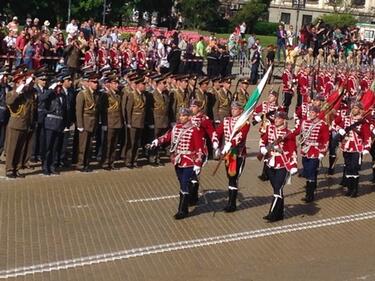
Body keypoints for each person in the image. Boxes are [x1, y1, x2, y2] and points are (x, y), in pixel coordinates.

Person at [151, 108, 204, 220]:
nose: (181, 117)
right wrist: (158, 141)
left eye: (184, 116)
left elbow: (200, 148)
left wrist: (198, 163)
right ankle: (188, 199)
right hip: (177, 159)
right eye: (180, 115)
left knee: (184, 183)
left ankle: (182, 210)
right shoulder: (176, 128)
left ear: (189, 117)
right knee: (181, 182)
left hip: (189, 160)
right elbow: (167, 137)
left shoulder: (194, 130)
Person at [259, 111, 297, 222]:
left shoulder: (288, 133)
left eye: (278, 118)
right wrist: (262, 148)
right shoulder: (270, 129)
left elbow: (292, 149)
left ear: (283, 120)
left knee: (278, 188)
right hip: (270, 161)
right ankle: (280, 213)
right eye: (275, 118)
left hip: (282, 163)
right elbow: (263, 139)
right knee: (276, 188)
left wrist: (293, 164)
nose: (275, 120)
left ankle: (272, 213)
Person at [213, 101, 250, 212]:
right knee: (230, 178)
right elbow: (217, 132)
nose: (233, 111)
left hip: (238, 154)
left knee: (234, 178)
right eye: (232, 109)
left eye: (235, 109)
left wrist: (231, 143)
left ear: (240, 110)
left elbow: (241, 136)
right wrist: (215, 143)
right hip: (228, 154)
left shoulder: (244, 123)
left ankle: (232, 204)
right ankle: (230, 202)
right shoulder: (226, 120)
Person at [333, 101, 372, 197]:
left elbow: (367, 136)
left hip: (357, 148)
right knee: (348, 167)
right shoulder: (346, 119)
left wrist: (367, 148)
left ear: (360, 110)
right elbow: (334, 123)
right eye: (353, 108)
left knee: (354, 168)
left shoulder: (363, 122)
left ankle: (355, 190)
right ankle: (349, 189)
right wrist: (339, 130)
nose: (354, 110)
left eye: (356, 108)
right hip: (346, 147)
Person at [294, 105, 329, 203]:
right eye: (309, 112)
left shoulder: (322, 124)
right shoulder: (305, 122)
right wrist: (287, 135)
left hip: (315, 150)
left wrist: (322, 152)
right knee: (307, 171)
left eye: (312, 112)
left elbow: (326, 140)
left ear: (317, 114)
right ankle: (310, 190)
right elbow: (297, 131)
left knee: (311, 172)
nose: (310, 114)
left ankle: (310, 195)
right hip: (305, 150)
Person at [5, 73, 35, 178]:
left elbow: (30, 110)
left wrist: (30, 123)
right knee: (11, 149)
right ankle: (9, 169)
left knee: (20, 150)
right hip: (15, 124)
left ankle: (16, 169)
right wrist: (18, 90)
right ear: (17, 83)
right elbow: (9, 101)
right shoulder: (11, 93)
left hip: (25, 125)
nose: (25, 84)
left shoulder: (27, 95)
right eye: (23, 82)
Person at [75, 72, 100, 172]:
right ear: (89, 82)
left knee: (89, 145)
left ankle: (86, 163)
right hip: (85, 123)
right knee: (83, 145)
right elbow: (79, 110)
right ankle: (80, 164)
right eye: (94, 82)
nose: (96, 84)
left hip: (92, 123)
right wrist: (80, 125)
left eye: (97, 82)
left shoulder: (96, 95)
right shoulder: (82, 94)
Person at [100, 75, 123, 170]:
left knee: (114, 144)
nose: (117, 85)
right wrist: (104, 123)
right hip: (109, 122)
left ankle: (111, 162)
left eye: (117, 83)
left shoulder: (118, 95)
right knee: (108, 144)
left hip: (117, 122)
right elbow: (103, 110)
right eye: (114, 83)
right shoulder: (105, 95)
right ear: (109, 84)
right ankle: (105, 162)